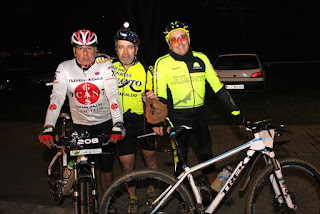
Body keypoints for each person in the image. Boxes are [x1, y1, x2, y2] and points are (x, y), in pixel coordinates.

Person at [152, 21, 244, 188]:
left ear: (188, 39)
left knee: (207, 156)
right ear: (169, 44)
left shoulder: (201, 58)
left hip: (199, 117)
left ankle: (215, 193)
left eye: (182, 37)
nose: (179, 42)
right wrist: (159, 120)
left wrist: (237, 114)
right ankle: (182, 199)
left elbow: (219, 89)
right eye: (174, 40)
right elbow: (160, 96)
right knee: (180, 161)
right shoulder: (163, 63)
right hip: (176, 118)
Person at [38, 29, 125, 192]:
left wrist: (118, 123)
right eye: (80, 48)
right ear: (74, 50)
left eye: (89, 48)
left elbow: (113, 95)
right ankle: (79, 193)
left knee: (106, 166)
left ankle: (108, 201)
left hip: (105, 122)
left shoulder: (105, 65)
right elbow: (56, 98)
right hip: (81, 125)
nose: (85, 53)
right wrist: (48, 126)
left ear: (96, 49)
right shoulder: (65, 68)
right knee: (83, 166)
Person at [112, 22, 158, 213]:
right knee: (126, 164)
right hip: (121, 123)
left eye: (130, 47)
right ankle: (132, 197)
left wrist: (152, 101)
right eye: (121, 47)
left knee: (150, 158)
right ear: (116, 50)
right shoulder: (108, 68)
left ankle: (152, 191)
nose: (125, 52)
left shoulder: (146, 68)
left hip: (143, 122)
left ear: (136, 49)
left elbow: (152, 96)